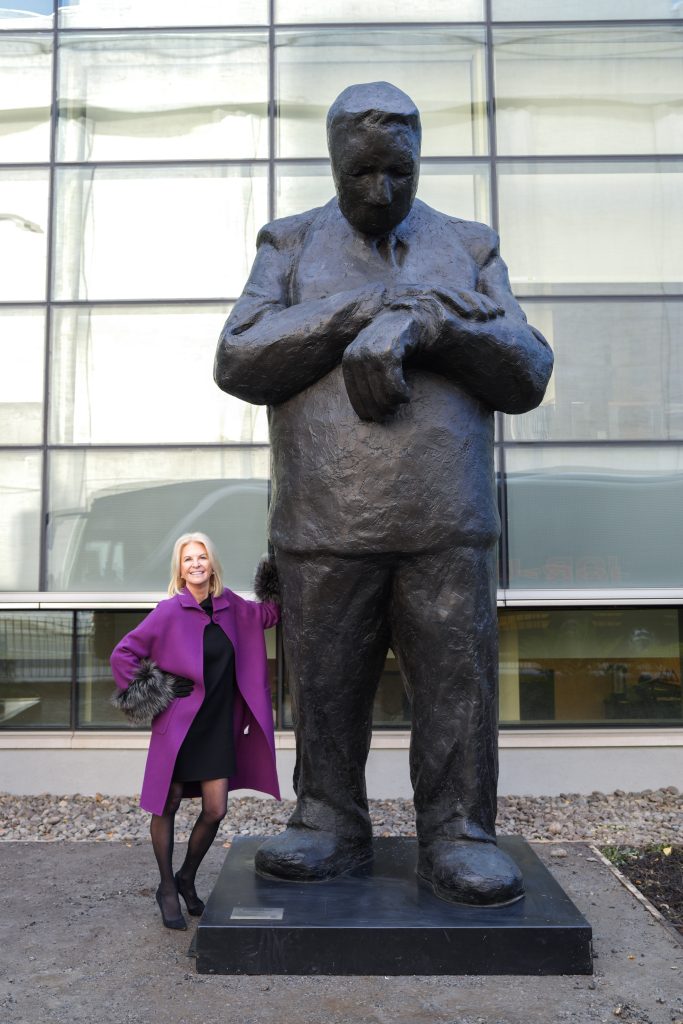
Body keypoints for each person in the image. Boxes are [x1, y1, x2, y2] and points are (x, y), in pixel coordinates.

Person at [214, 82, 553, 905]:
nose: (380, 191)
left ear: (417, 159)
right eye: (361, 172)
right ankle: (327, 818)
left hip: (444, 518)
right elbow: (238, 358)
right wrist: (362, 307)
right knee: (325, 686)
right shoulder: (289, 244)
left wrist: (434, 319)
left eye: (396, 172)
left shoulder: (468, 248)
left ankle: (459, 830)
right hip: (323, 519)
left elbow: (528, 369)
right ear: (334, 159)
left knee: (455, 687)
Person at [110, 533, 280, 929]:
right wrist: (160, 687)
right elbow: (123, 653)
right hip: (180, 726)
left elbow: (270, 614)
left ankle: (187, 875)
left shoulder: (232, 606)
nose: (196, 564)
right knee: (166, 805)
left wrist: (279, 571)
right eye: (188, 559)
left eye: (201, 557)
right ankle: (167, 887)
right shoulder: (169, 611)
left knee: (216, 808)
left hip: (218, 726)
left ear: (212, 563)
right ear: (180, 568)